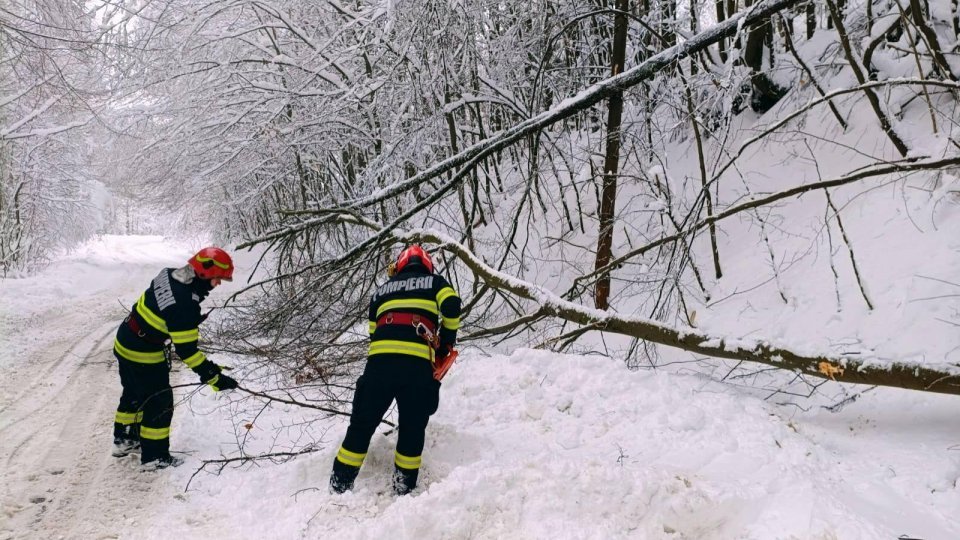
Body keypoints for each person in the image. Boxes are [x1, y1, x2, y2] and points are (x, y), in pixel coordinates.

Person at [329, 244, 461, 495]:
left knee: (361, 425)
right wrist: (445, 342)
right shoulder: (434, 282)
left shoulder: (381, 291)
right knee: (412, 428)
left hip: (379, 365)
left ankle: (339, 485)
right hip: (416, 366)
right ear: (427, 265)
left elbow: (372, 332)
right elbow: (452, 304)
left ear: (399, 266)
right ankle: (403, 487)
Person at [111, 246, 239, 470]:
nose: (218, 284)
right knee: (159, 402)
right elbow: (188, 352)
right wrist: (214, 378)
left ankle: (125, 441)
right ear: (204, 273)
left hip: (125, 340)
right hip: (143, 351)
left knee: (133, 392)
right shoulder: (184, 305)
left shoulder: (168, 273)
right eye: (217, 279)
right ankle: (155, 457)